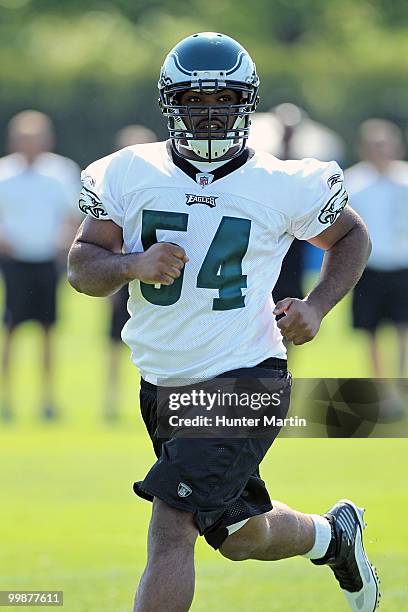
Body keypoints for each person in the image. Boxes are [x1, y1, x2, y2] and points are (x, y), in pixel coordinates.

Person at [68, 33, 379, 612]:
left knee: (172, 527)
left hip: (245, 375)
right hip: (162, 380)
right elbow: (83, 269)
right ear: (170, 104)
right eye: (194, 100)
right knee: (238, 536)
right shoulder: (127, 172)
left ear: (247, 103)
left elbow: (351, 235)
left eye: (224, 99)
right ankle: (331, 536)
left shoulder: (283, 180)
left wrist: (316, 304)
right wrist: (132, 263)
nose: (209, 112)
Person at [0, 110, 80, 420]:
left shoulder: (61, 172)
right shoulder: (4, 173)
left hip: (47, 260)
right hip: (14, 261)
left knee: (48, 331)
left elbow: (72, 214)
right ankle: (7, 398)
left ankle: (47, 399)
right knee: (11, 330)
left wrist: (64, 239)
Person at [346, 119, 408, 378]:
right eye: (374, 146)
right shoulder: (353, 182)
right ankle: (381, 385)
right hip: (368, 268)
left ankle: (400, 381)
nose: (380, 151)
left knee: (403, 328)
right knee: (370, 330)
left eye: (385, 145)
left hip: (403, 266)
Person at [105, 125, 157, 421]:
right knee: (113, 343)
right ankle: (111, 398)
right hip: (125, 275)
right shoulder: (118, 190)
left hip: (160, 283)